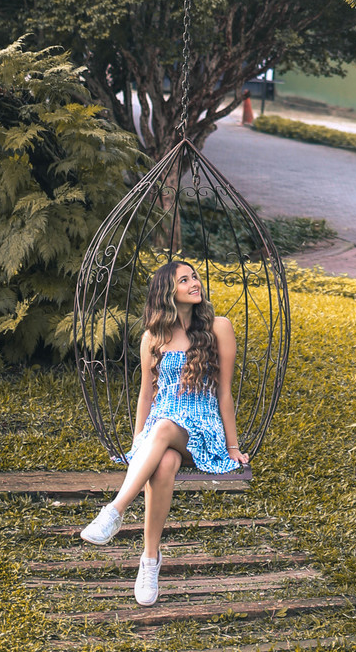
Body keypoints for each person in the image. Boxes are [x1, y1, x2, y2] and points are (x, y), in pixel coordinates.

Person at [80, 258, 250, 604]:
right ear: (167, 292)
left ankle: (114, 512)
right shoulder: (152, 338)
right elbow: (147, 394)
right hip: (162, 429)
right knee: (163, 463)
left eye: (195, 277)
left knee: (164, 429)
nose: (194, 283)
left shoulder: (219, 327)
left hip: (201, 430)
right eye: (184, 280)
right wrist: (136, 446)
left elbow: (225, 392)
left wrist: (233, 447)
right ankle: (150, 561)